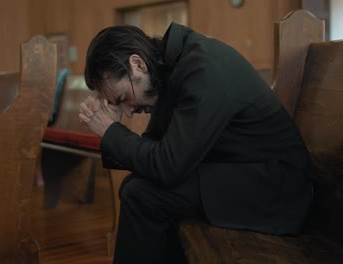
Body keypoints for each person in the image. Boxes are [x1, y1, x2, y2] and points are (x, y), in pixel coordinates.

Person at [79, 23, 316, 264]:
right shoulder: (172, 71)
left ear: (137, 64)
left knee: (141, 195)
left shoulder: (203, 67)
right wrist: (114, 129)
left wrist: (111, 132)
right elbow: (154, 149)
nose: (128, 112)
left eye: (123, 99)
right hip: (239, 172)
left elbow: (168, 166)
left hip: (276, 188)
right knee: (136, 186)